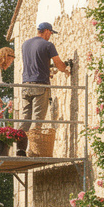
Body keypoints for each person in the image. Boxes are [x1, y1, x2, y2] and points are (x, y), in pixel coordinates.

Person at [17, 22, 70, 156]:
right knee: (37, 119)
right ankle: (35, 151)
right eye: (51, 33)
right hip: (40, 85)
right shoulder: (48, 45)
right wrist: (66, 69)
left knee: (25, 119)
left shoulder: (25, 44)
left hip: (25, 85)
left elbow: (36, 62)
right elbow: (58, 64)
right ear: (46, 31)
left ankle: (20, 149)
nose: (51, 36)